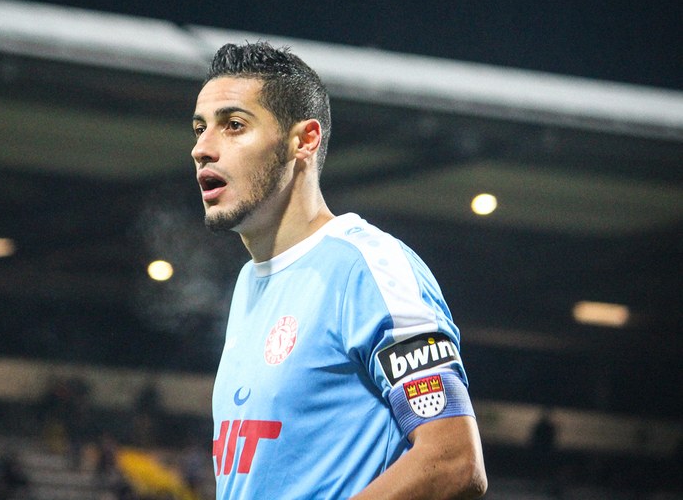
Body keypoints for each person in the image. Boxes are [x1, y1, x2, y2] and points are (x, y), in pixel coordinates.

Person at [191, 42, 487, 499]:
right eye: (199, 128)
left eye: (233, 125)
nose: (202, 148)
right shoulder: (249, 282)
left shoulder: (370, 267)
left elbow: (453, 460)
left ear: (304, 140)